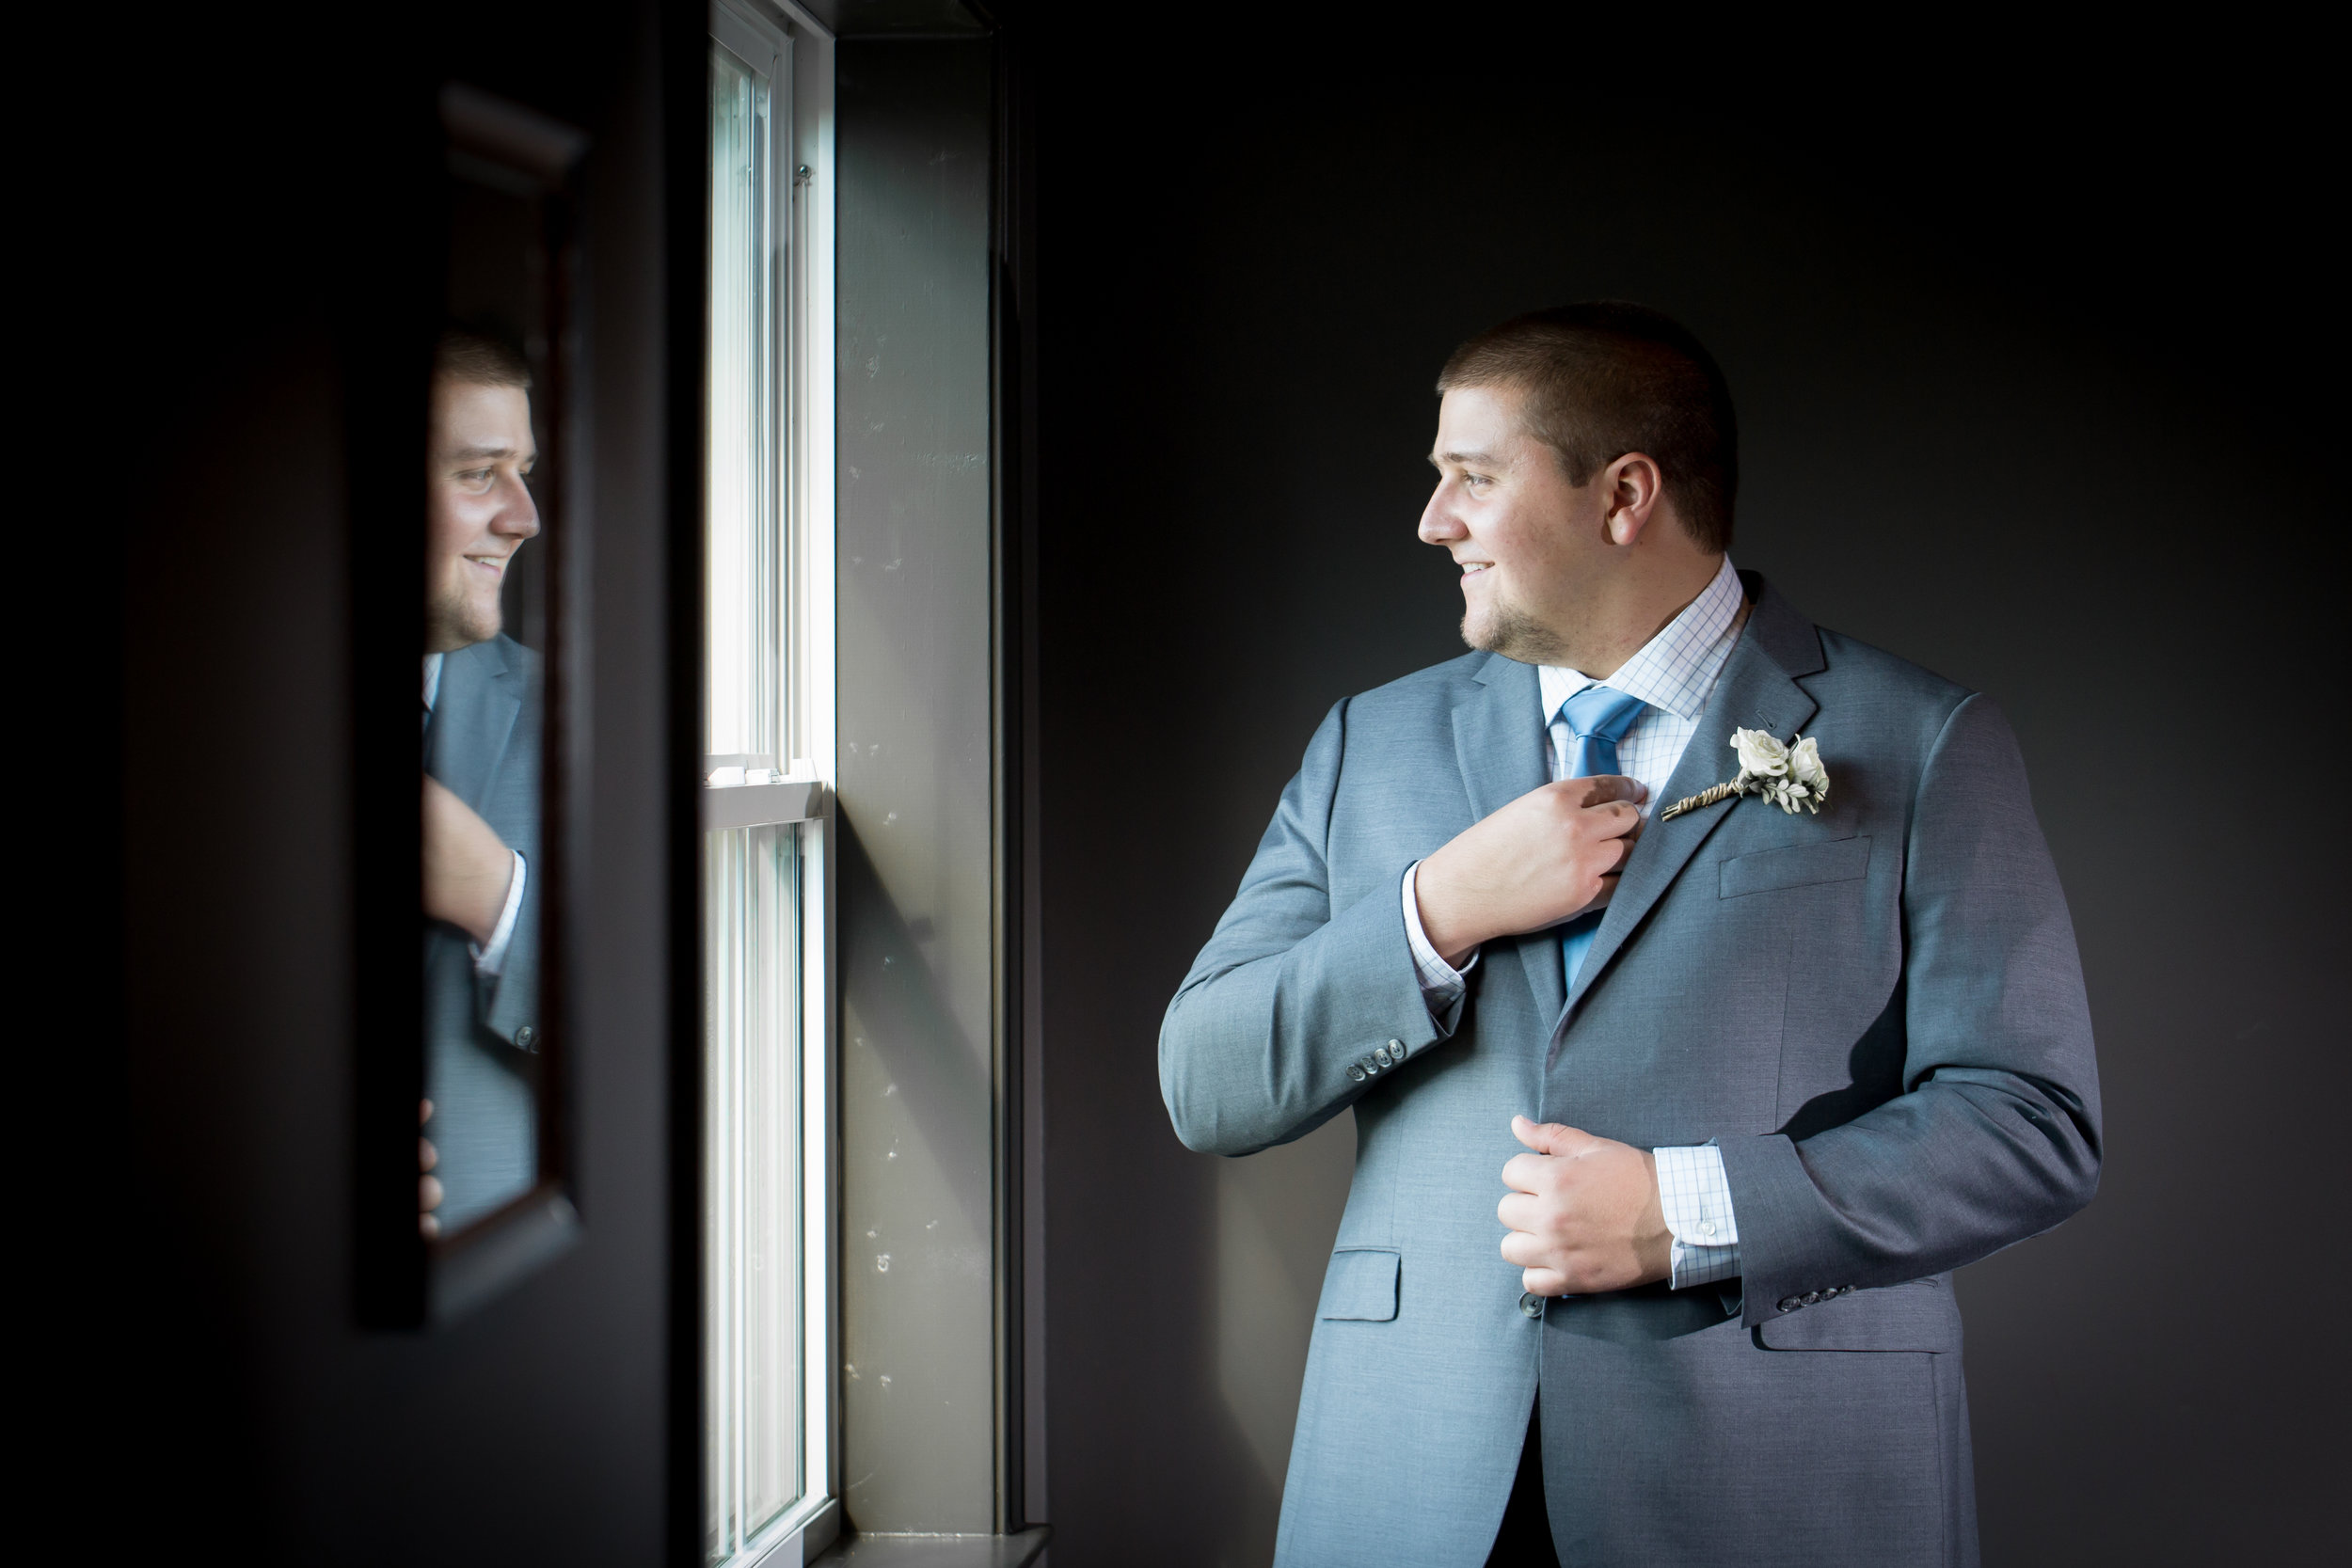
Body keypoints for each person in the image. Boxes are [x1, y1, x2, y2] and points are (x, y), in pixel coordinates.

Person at [1159, 303, 2100, 1567]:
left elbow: (2032, 1121)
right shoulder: (1366, 745)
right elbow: (1204, 1079)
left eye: (1472, 480)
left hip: (1781, 1476)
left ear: (1624, 496)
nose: (1433, 520)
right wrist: (1438, 906)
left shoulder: (1924, 741)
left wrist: (1688, 1207)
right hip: (1414, 1472)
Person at [419, 330, 544, 1236]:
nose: (525, 515)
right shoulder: (210, 722)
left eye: (524, 469)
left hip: (505, 1323)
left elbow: (679, 1054)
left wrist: (500, 899)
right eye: (478, 474)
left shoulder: (586, 719)